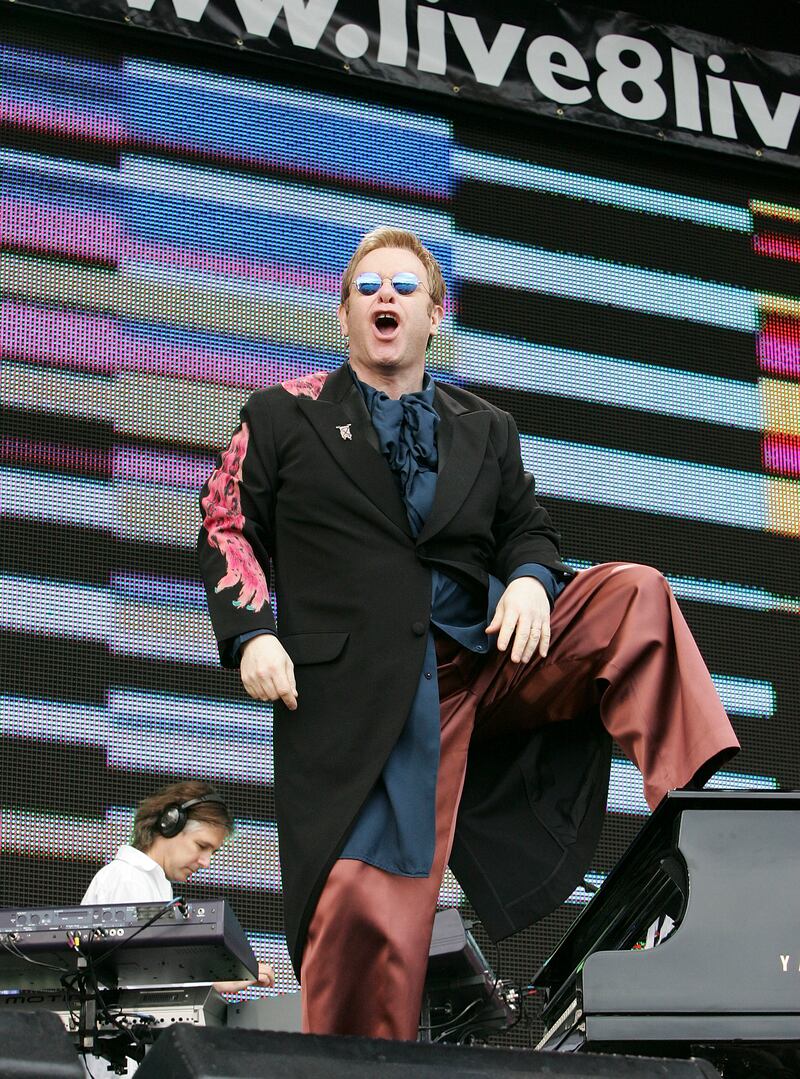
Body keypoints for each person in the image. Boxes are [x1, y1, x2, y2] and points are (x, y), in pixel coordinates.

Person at [197, 226, 739, 1040]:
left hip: (490, 661)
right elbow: (224, 522)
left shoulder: (485, 425)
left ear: (434, 315)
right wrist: (250, 632)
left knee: (635, 597)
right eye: (369, 286)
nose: (387, 297)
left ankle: (709, 839)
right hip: (370, 701)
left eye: (405, 287)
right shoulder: (282, 415)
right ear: (343, 313)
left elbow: (530, 527)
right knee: (363, 923)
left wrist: (528, 577)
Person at [82, 781, 274, 991]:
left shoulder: (149, 883)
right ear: (169, 824)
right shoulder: (128, 879)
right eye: (201, 846)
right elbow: (137, 981)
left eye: (213, 852)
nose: (206, 862)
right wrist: (218, 982)